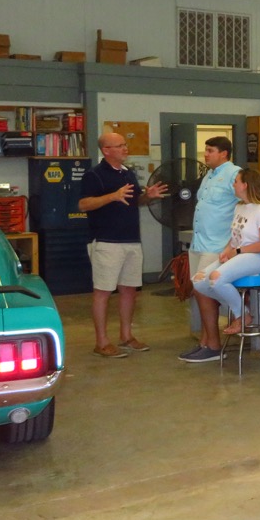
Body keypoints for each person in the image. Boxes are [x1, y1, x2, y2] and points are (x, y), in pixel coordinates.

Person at [78, 132, 168, 358]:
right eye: (119, 146)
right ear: (106, 150)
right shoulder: (94, 175)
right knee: (103, 291)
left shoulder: (128, 173)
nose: (125, 149)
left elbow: (134, 200)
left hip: (131, 240)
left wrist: (149, 196)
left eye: (125, 145)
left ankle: (126, 336)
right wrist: (112, 196)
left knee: (129, 289)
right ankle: (101, 342)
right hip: (107, 242)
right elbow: (83, 204)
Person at [185, 169, 260, 363]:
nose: (233, 185)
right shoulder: (240, 207)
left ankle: (242, 316)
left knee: (217, 278)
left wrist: (236, 252)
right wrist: (227, 249)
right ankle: (239, 308)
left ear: (245, 185)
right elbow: (235, 236)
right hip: (243, 253)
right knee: (199, 282)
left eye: (236, 181)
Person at [183, 136, 241, 362]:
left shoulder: (235, 174)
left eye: (210, 150)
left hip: (217, 245)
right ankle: (205, 342)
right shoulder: (209, 174)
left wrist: (232, 244)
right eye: (205, 150)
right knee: (198, 292)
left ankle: (214, 346)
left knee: (203, 290)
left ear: (224, 153)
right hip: (200, 242)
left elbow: (244, 205)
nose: (206, 154)